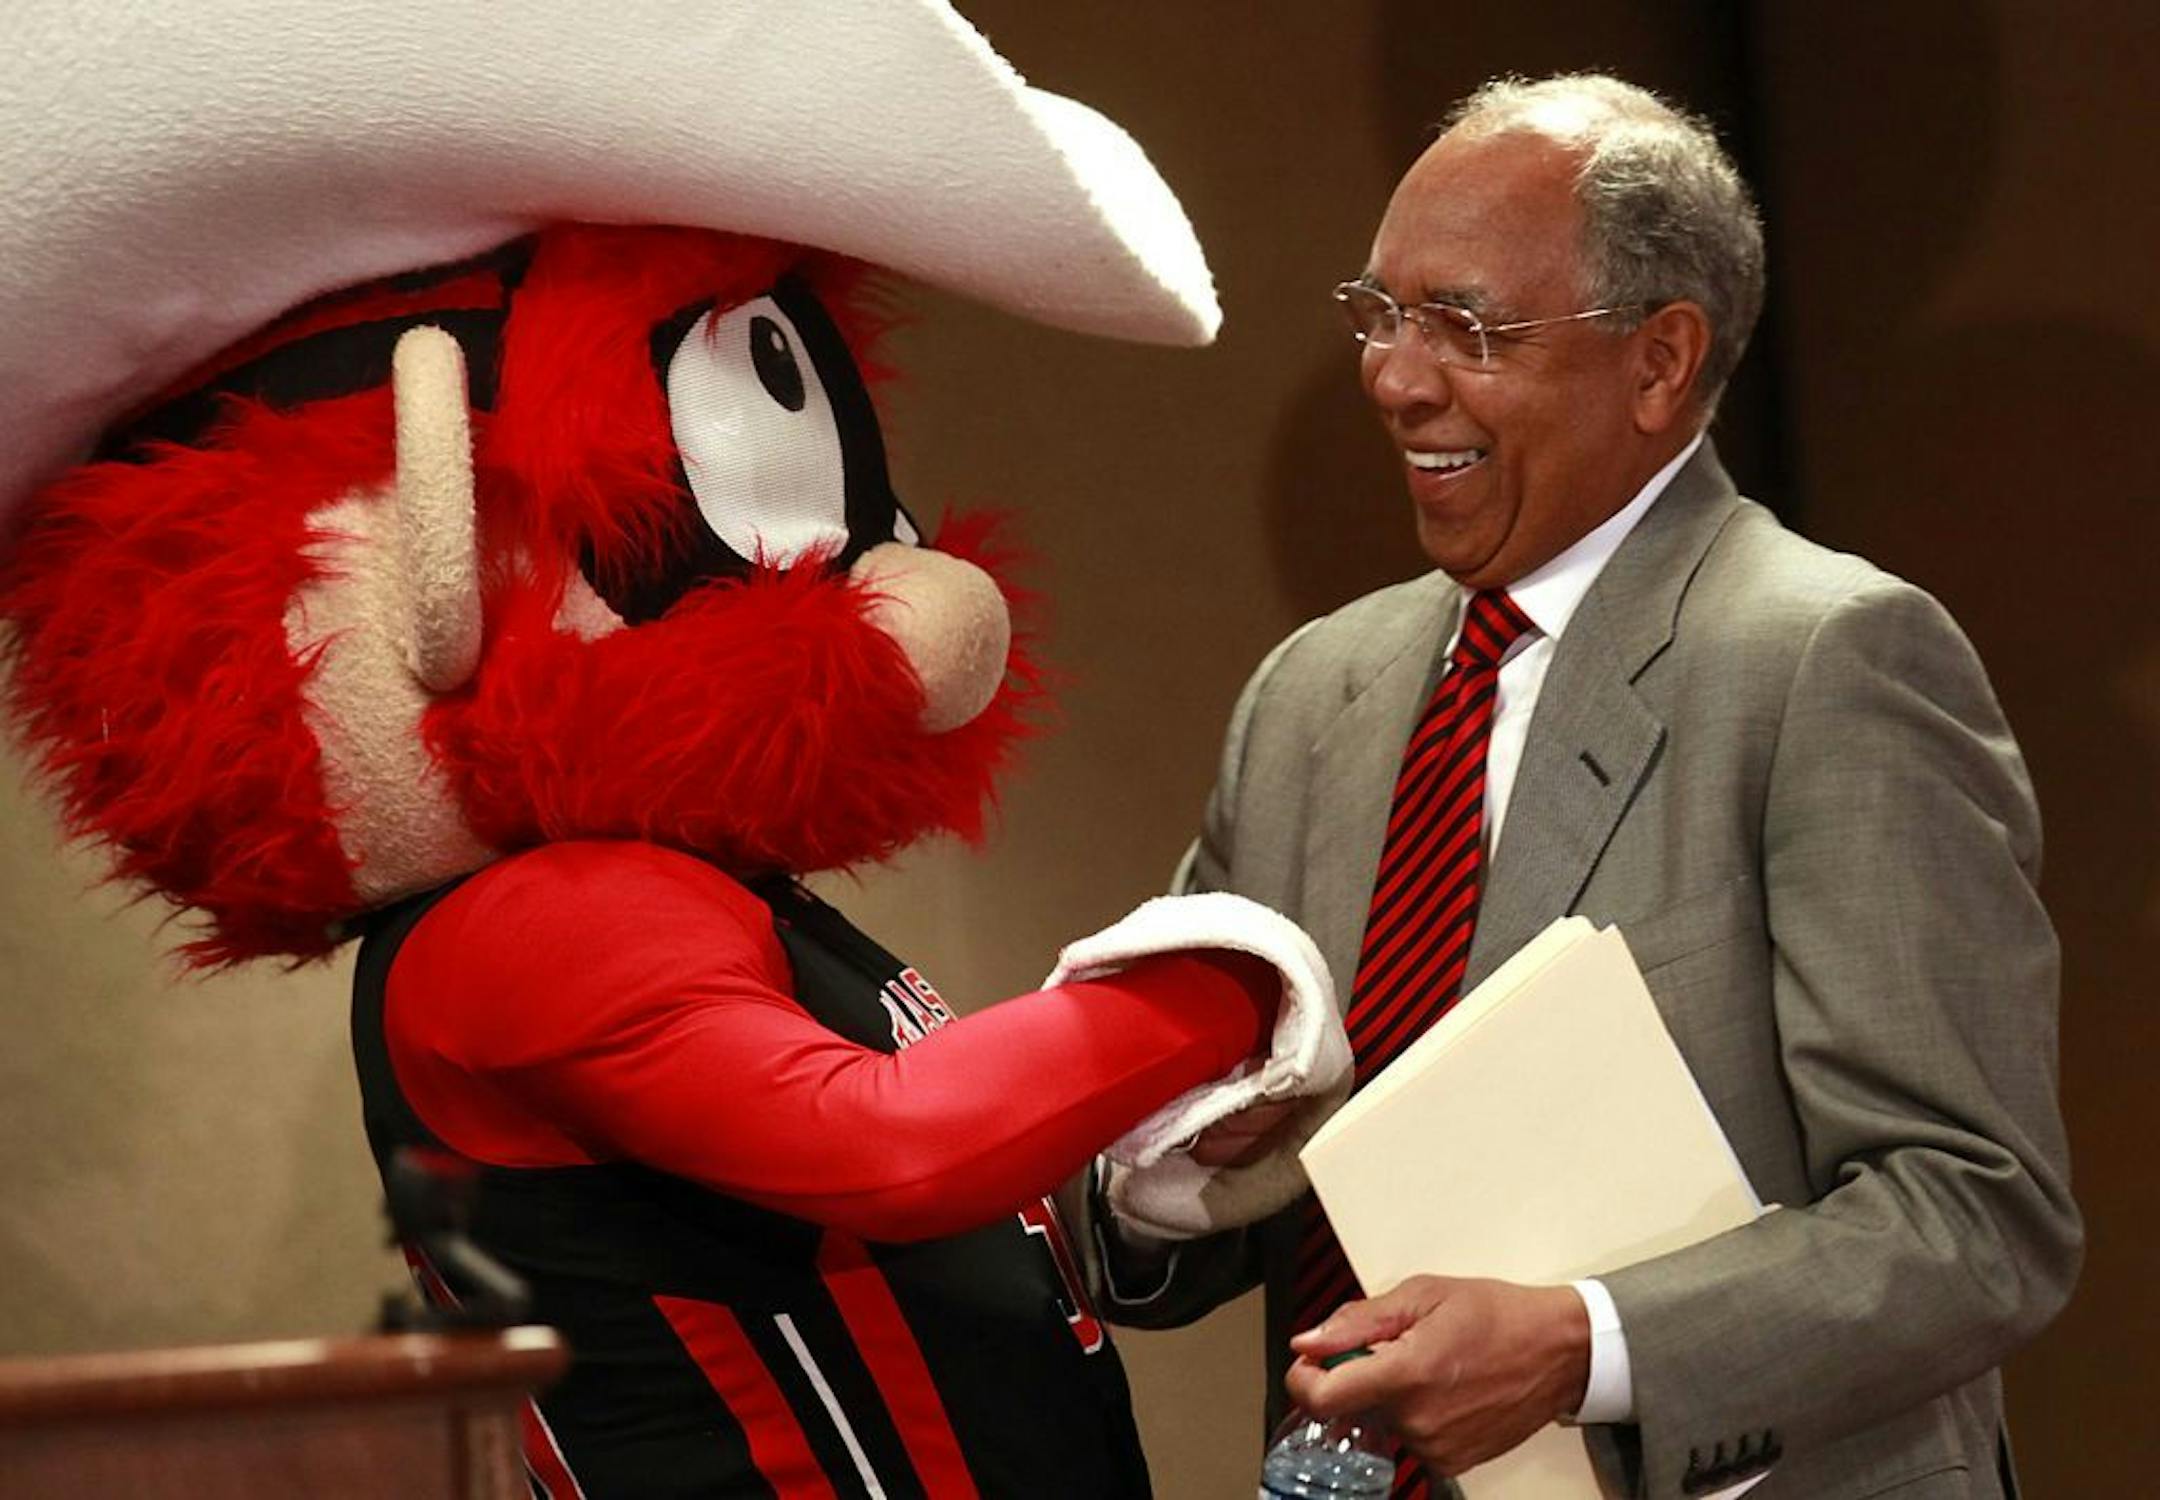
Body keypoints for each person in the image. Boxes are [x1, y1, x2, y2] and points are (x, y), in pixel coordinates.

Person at [1093, 73, 2080, 1499]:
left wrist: (1585, 1345)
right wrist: (1161, 1178)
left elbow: (1978, 1220)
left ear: (1660, 361)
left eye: (1465, 327)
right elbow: (1166, 1197)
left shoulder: (1829, 663)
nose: (1395, 377)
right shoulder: (1311, 695)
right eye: (1380, 314)